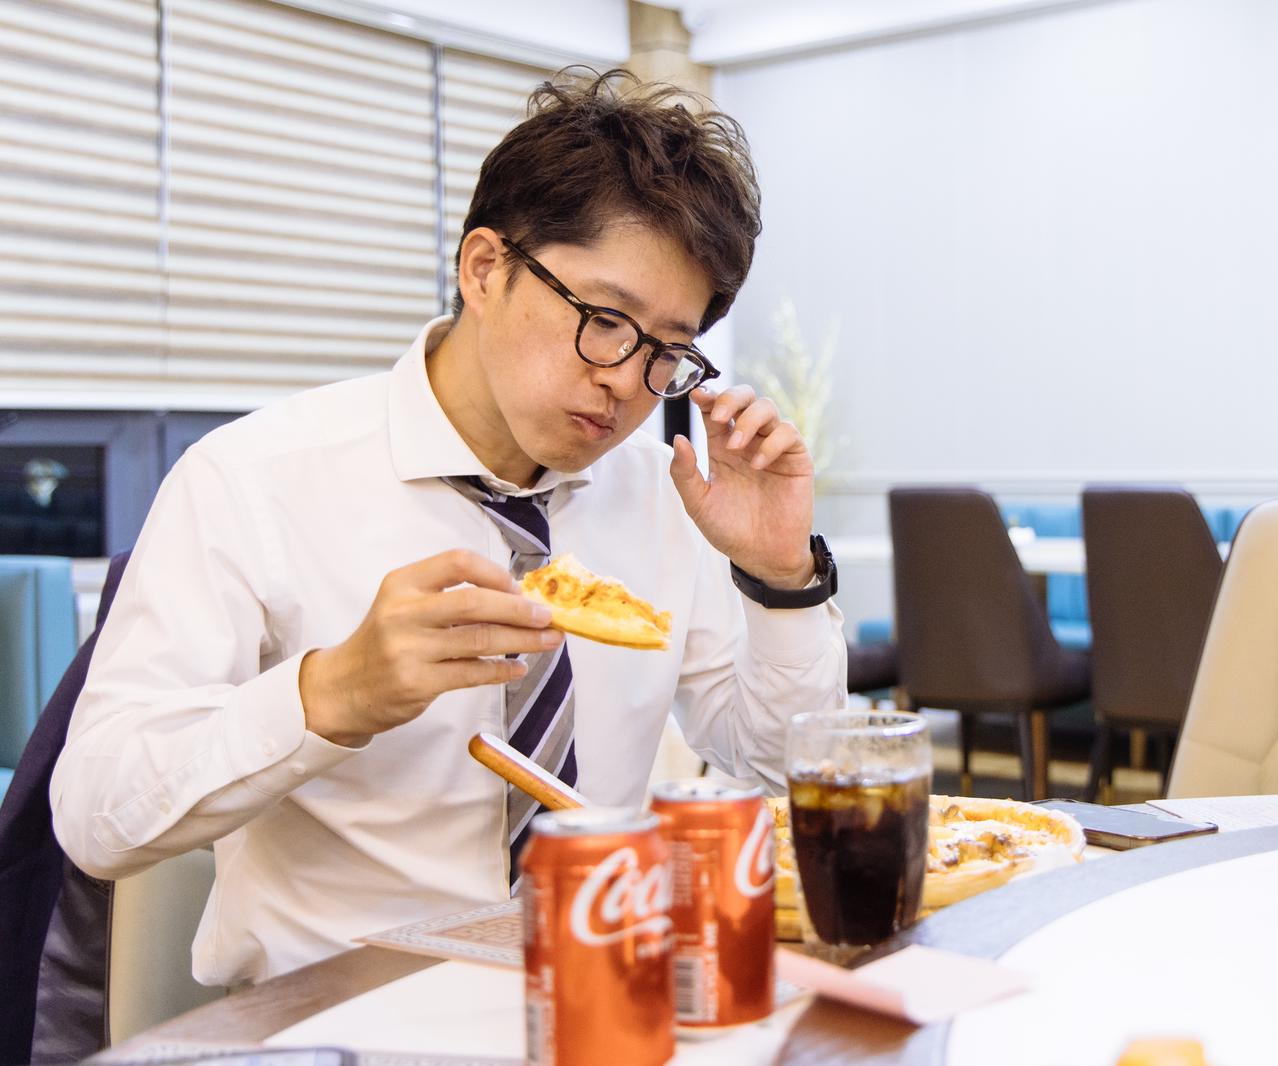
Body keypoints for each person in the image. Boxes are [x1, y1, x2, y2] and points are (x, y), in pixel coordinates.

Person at [50, 69, 845, 988]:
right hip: (339, 1019)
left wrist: (781, 575)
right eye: (603, 320)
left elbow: (788, 773)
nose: (628, 382)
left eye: (667, 350)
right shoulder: (253, 479)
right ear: (485, 269)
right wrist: (330, 695)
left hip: (602, 992)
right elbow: (94, 814)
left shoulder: (663, 497)